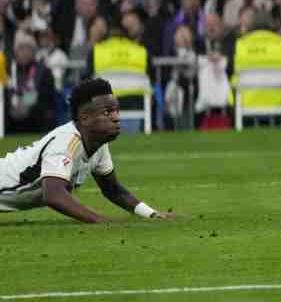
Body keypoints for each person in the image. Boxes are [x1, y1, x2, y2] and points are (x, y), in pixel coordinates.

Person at [0, 78, 176, 223]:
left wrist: (152, 214)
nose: (116, 117)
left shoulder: (98, 144)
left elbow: (112, 189)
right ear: (84, 118)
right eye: (107, 112)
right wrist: (101, 221)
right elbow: (53, 194)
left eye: (116, 110)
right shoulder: (65, 143)